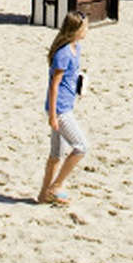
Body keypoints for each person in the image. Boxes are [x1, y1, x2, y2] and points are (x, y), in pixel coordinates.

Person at [39, 11, 90, 207]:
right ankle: (56, 185)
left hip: (67, 104)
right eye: (84, 28)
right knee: (81, 147)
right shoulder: (63, 53)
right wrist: (52, 115)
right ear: (75, 29)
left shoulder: (76, 48)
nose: (87, 31)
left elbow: (71, 76)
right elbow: (54, 85)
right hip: (60, 108)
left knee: (56, 155)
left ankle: (44, 194)